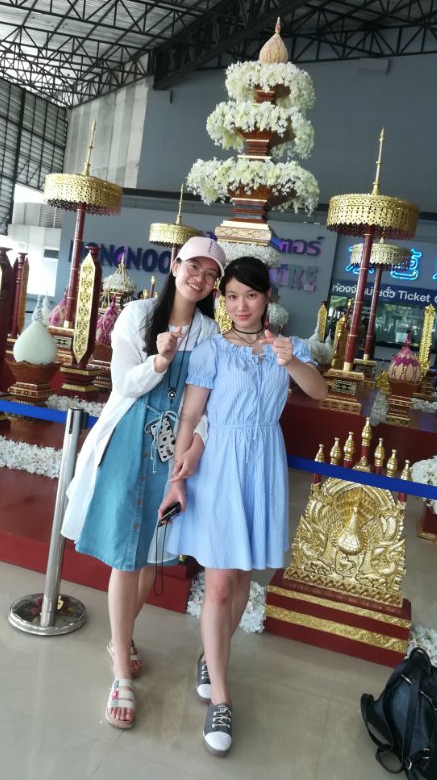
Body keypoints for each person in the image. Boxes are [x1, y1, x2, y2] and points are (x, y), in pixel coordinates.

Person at [158, 256, 328, 756]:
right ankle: (221, 698)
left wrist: (290, 362)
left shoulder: (288, 348)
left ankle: (211, 659)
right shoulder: (212, 350)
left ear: (267, 296)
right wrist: (176, 479)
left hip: (263, 464)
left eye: (250, 295)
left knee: (242, 580)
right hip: (219, 466)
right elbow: (191, 416)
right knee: (218, 582)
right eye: (231, 296)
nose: (240, 306)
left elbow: (319, 391)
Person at [61, 236, 226, 730]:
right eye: (193, 267)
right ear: (175, 266)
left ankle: (122, 636)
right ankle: (120, 675)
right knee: (125, 555)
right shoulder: (136, 316)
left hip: (171, 453)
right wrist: (158, 361)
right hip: (128, 442)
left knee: (154, 555)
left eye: (211, 274)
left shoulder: (211, 335)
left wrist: (195, 448)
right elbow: (122, 385)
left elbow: (207, 407)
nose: (200, 278)